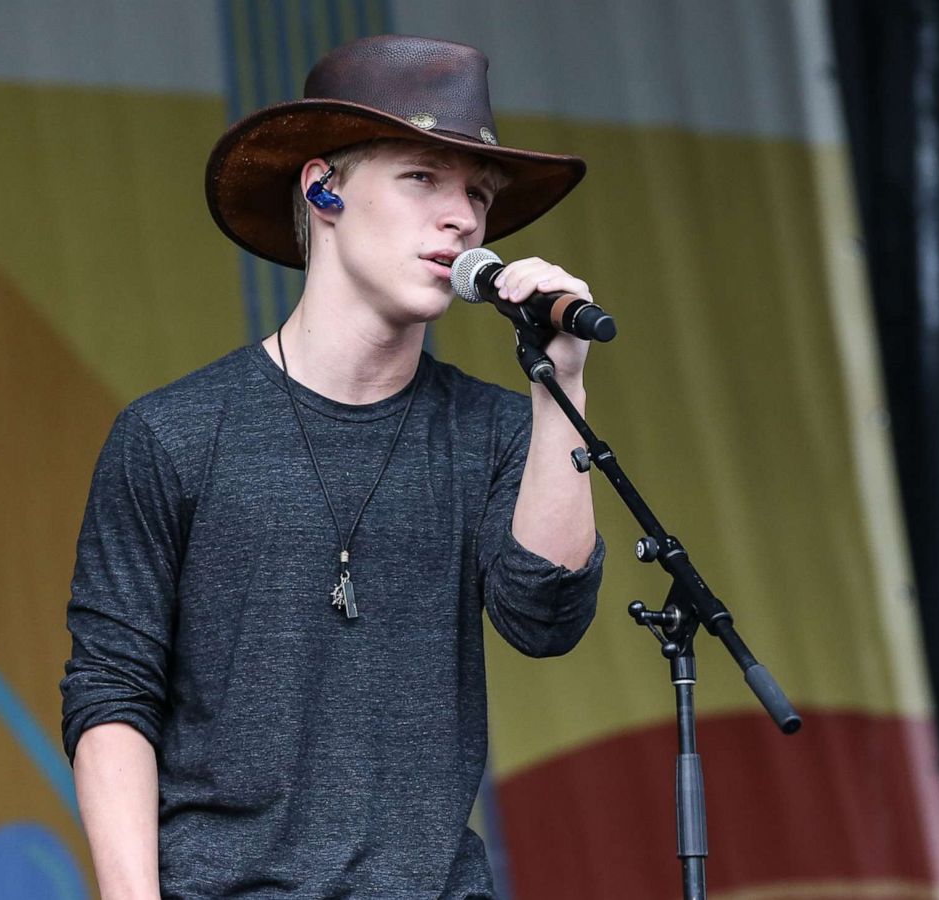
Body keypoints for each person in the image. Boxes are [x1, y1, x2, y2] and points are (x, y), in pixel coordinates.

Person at [59, 34, 605, 898]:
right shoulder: (173, 434)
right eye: (422, 178)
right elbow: (111, 693)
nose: (462, 216)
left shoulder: (501, 430)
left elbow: (546, 619)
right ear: (323, 189)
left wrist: (559, 385)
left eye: (478, 192)